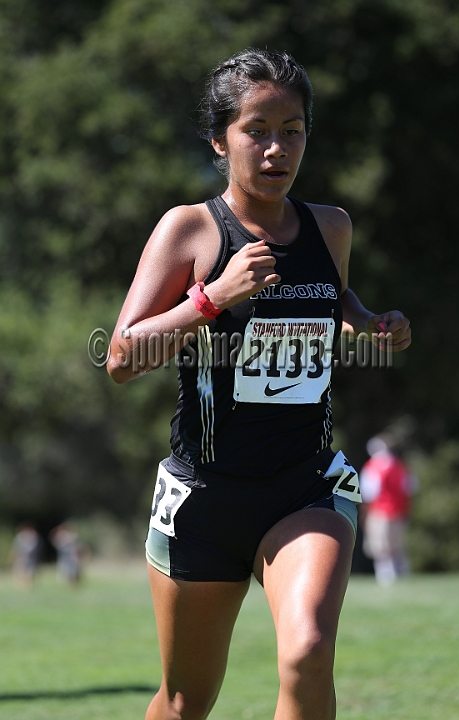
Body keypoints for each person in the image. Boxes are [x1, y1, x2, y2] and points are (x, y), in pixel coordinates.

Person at [107, 49, 411, 720]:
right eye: (257, 129)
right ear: (220, 139)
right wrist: (212, 297)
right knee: (187, 700)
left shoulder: (331, 227)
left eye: (293, 129)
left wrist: (370, 322)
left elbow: (331, 299)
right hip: (206, 497)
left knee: (306, 653)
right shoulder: (190, 229)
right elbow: (122, 358)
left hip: (305, 487)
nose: (277, 148)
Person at [360, 436, 417, 585]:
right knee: (398, 547)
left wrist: (364, 514)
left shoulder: (372, 467)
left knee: (381, 549)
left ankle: (387, 578)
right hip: (399, 511)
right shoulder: (401, 466)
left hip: (379, 512)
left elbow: (369, 493)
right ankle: (403, 575)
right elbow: (410, 489)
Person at [10, 522, 42, 589]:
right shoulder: (20, 537)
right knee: (22, 572)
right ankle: (22, 585)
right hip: (22, 558)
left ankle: (28, 586)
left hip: (31, 558)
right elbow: (16, 549)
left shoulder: (33, 537)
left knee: (29, 572)